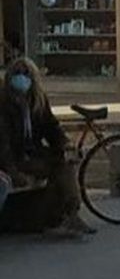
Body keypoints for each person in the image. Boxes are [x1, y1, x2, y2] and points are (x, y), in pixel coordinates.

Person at [0, 57, 93, 238]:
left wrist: (64, 143)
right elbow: (3, 144)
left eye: (26, 74)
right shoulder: (3, 104)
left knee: (64, 164)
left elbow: (51, 127)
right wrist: (13, 172)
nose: (21, 78)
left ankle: (68, 214)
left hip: (32, 153)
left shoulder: (38, 101)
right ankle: (62, 217)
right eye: (17, 73)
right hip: (15, 158)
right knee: (56, 170)